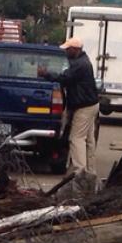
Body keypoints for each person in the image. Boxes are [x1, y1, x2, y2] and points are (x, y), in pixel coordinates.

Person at [38, 37, 100, 189]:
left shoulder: (80, 65)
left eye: (68, 49)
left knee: (76, 138)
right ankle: (90, 172)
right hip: (90, 104)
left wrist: (46, 74)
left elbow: (64, 78)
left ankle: (80, 173)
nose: (66, 52)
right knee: (88, 140)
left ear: (75, 49)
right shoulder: (81, 61)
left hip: (84, 106)